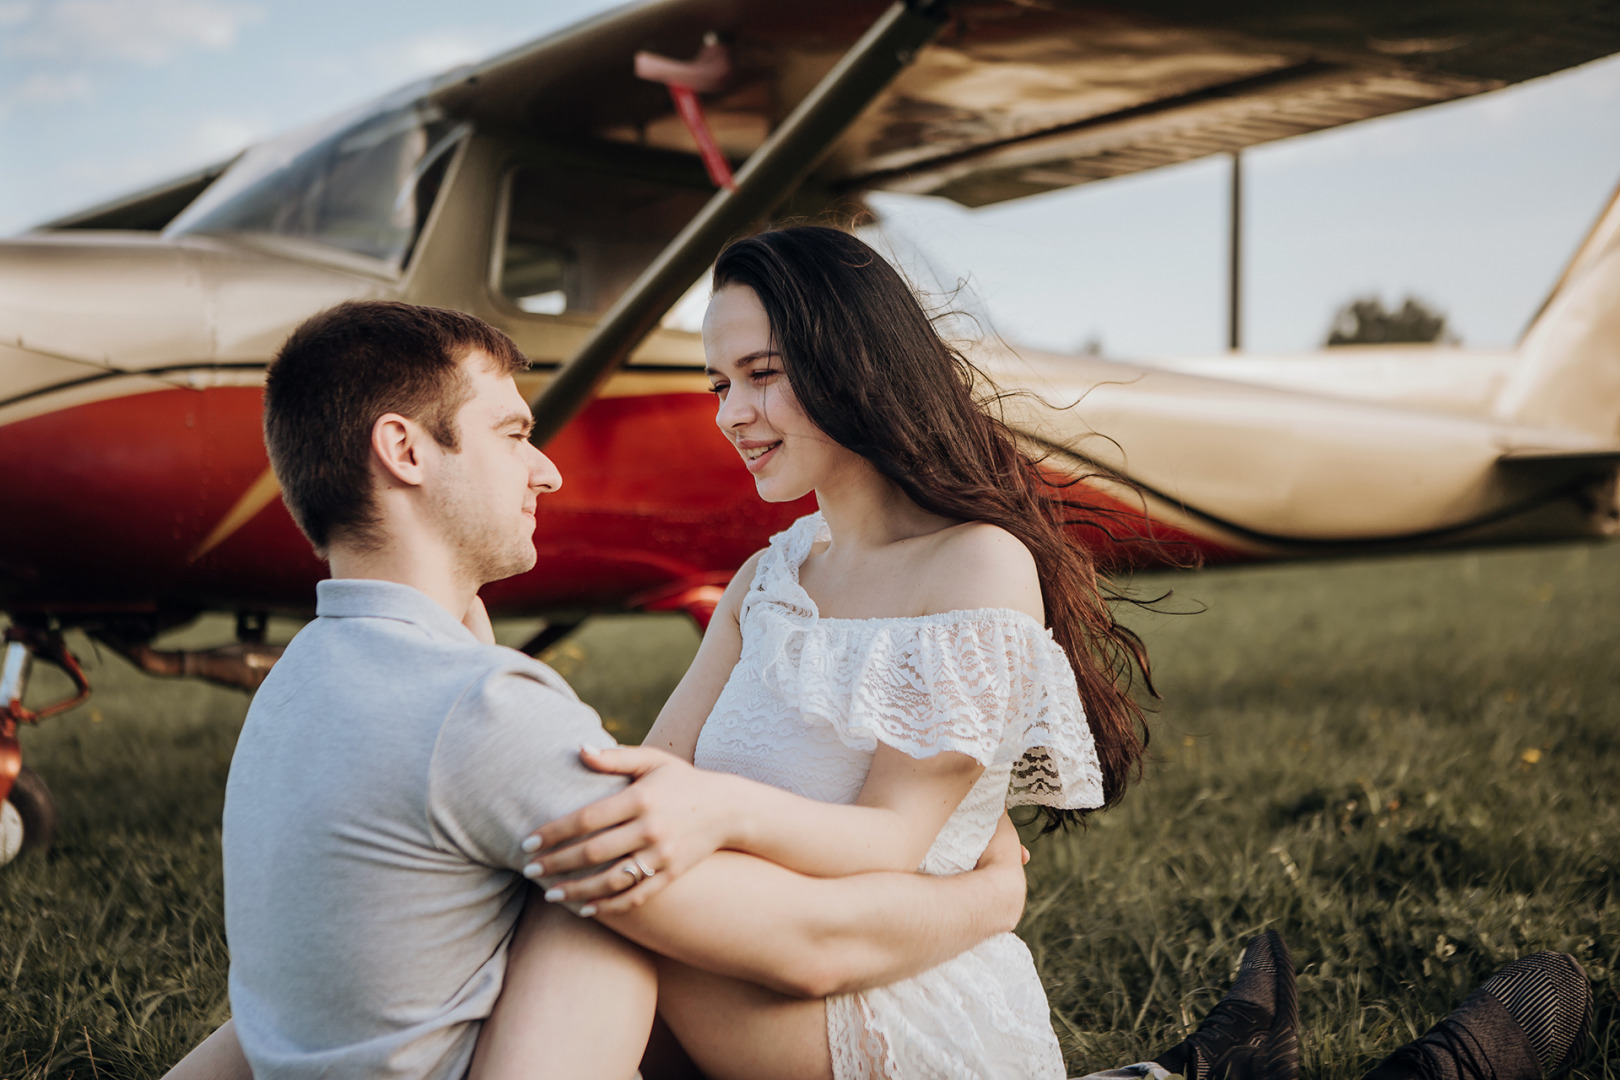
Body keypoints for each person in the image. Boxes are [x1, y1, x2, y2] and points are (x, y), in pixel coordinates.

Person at [476, 227, 1595, 1080]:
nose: (733, 413)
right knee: (587, 916)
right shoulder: (772, 578)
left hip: (879, 998)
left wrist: (713, 818)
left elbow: (888, 840)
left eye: (764, 373)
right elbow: (662, 765)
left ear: (852, 363)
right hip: (745, 970)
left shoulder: (976, 567)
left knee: (605, 921)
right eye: (721, 382)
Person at [165, 299, 1031, 1080]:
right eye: (512, 435)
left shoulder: (298, 686)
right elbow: (810, 949)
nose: (547, 472)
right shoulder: (484, 712)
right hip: (798, 981)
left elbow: (268, 1022)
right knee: (600, 912)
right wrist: (992, 895)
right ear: (404, 450)